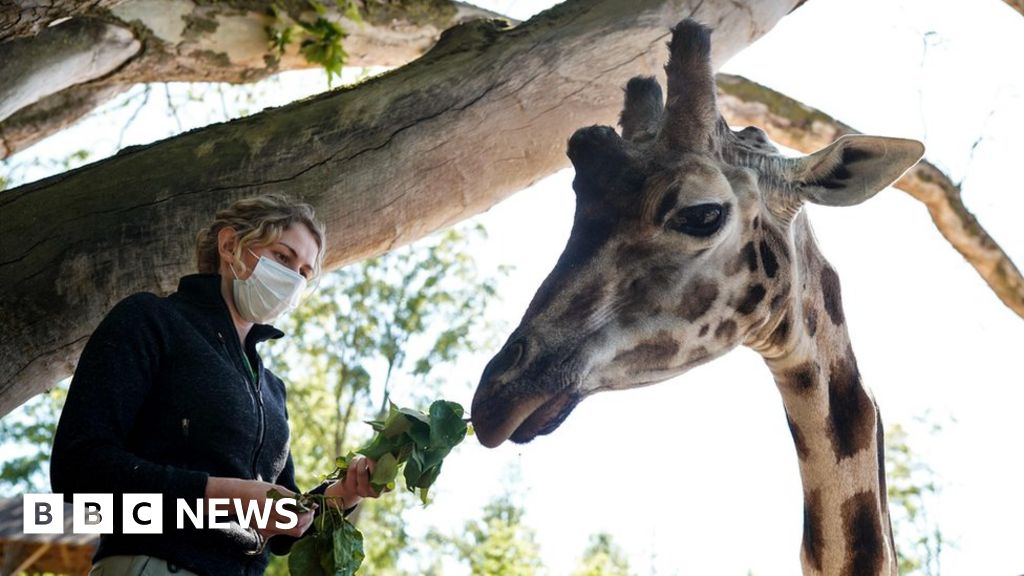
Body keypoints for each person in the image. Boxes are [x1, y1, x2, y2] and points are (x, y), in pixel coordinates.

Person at [50, 194, 378, 576]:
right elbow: (79, 469)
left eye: (304, 273)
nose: (292, 279)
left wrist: (347, 491)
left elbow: (285, 530)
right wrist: (226, 497)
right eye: (282, 257)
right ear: (229, 246)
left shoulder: (272, 389)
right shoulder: (152, 320)